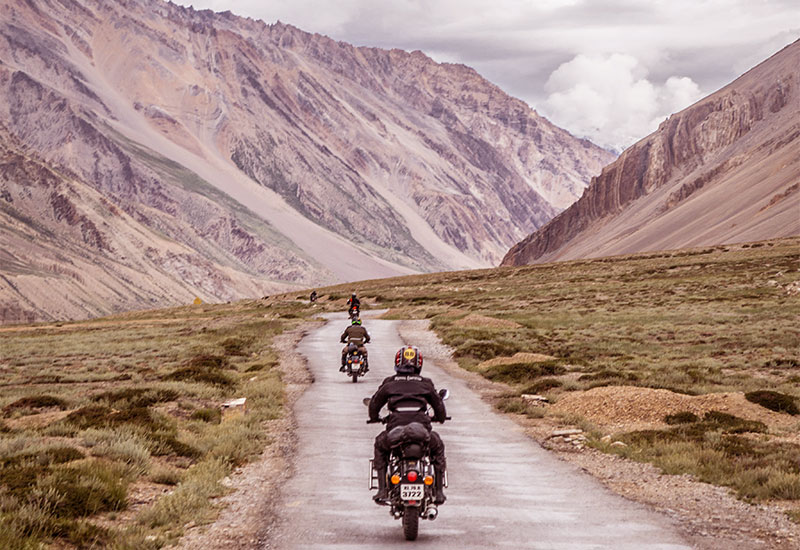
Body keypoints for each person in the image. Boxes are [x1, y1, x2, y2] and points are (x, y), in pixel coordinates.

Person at [368, 346, 447, 505]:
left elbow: (374, 405)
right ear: (419, 364)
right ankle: (438, 491)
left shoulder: (389, 383)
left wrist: (375, 417)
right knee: (437, 447)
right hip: (422, 432)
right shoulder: (426, 383)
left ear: (397, 362)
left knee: (380, 445)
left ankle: (382, 489)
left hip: (395, 433)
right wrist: (439, 417)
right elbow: (439, 408)